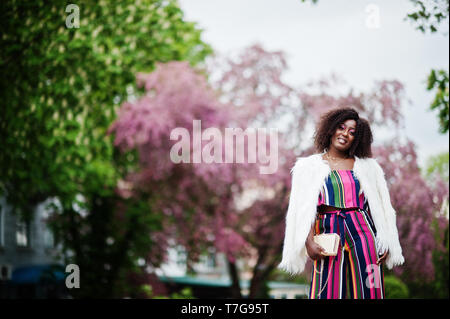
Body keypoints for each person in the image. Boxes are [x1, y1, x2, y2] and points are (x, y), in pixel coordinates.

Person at [278, 107, 404, 299]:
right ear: (331, 129)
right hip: (327, 230)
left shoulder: (368, 167)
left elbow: (381, 207)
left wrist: (385, 239)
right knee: (325, 291)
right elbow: (303, 209)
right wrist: (308, 239)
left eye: (352, 132)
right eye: (341, 127)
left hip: (362, 229)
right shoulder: (308, 167)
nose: (345, 133)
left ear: (357, 138)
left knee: (371, 289)